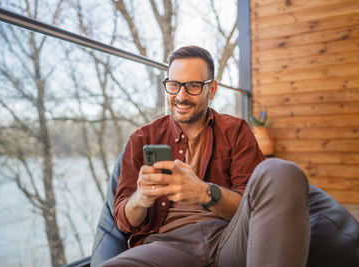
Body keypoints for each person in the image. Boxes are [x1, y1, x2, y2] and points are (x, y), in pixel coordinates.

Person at [101, 45, 310, 267]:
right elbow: (124, 222)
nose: (181, 96)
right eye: (174, 85)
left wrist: (204, 192)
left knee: (283, 171)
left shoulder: (236, 131)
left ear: (212, 90)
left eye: (193, 86)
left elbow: (254, 208)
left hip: (230, 238)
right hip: (167, 246)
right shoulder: (141, 138)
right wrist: (141, 198)